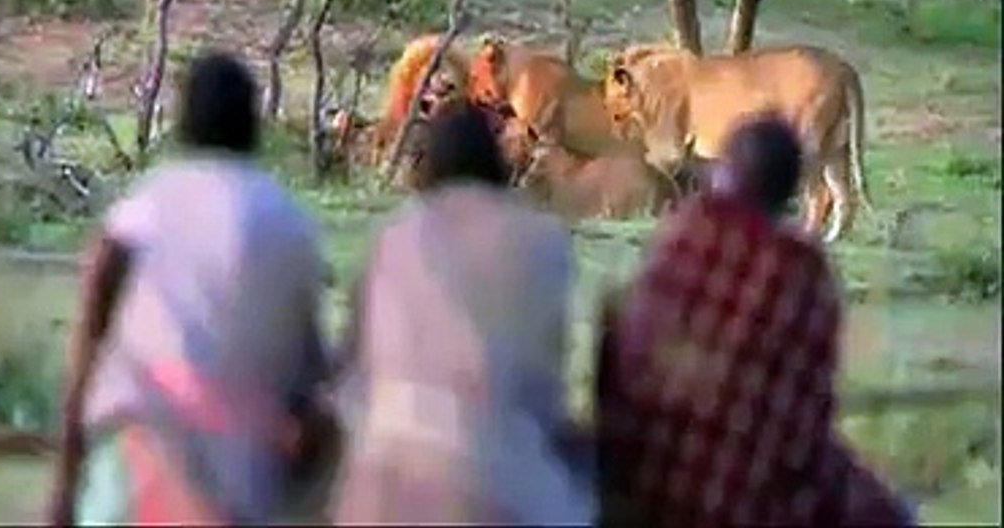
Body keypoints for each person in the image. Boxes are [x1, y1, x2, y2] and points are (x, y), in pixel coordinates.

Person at [48, 51, 339, 526]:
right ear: (253, 124)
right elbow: (308, 381)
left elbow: (90, 336)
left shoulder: (145, 205)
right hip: (241, 480)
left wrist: (65, 482)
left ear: (183, 121)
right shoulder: (292, 226)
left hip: (135, 462)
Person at [597, 113, 914, 527]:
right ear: (789, 193)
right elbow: (810, 412)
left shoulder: (681, 236)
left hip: (642, 494)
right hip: (755, 505)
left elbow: (617, 363)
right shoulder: (805, 270)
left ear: (724, 169)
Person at [330, 101, 593, 524]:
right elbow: (549, 380)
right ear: (496, 162)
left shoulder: (396, 234)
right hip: (503, 488)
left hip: (383, 492)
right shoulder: (544, 242)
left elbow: (350, 367)